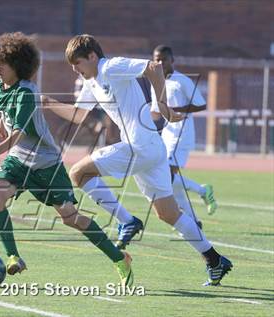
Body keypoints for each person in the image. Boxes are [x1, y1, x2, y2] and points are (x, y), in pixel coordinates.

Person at [42, 34, 232, 286]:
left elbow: (152, 68)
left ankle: (127, 221)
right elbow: (78, 116)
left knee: (78, 173)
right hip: (151, 148)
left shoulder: (109, 66)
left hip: (140, 146)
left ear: (92, 56)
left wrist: (162, 104)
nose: (74, 69)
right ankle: (214, 259)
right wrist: (47, 102)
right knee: (168, 213)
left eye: (77, 63)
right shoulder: (91, 81)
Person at [0, 32, 134, 287]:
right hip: (19, 160)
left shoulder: (27, 93)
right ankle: (13, 257)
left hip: (46, 163)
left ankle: (119, 258)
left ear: (18, 66)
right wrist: (0, 123)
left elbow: (18, 133)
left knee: (71, 218)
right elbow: (6, 109)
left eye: (3, 64)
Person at [150, 45, 218, 228]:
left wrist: (175, 110)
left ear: (172, 60)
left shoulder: (182, 81)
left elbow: (201, 105)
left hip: (181, 135)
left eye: (163, 59)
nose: (160, 63)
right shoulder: (155, 82)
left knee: (167, 176)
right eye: (156, 59)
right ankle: (194, 221)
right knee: (169, 181)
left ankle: (202, 191)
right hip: (166, 135)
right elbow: (156, 112)